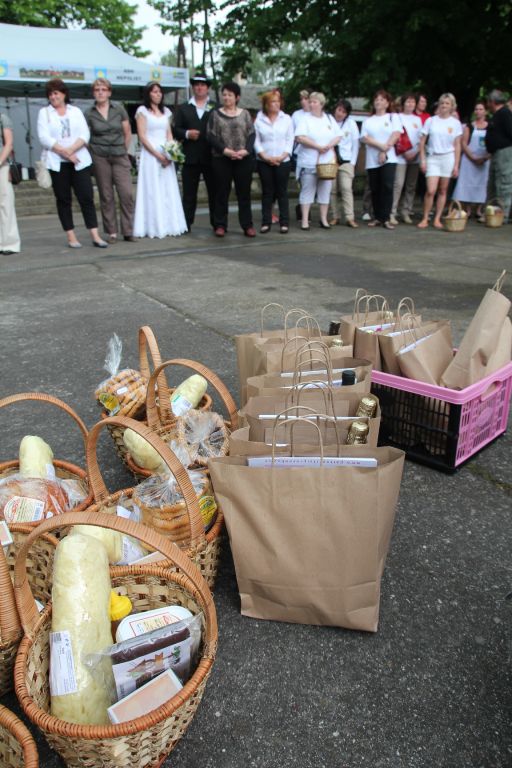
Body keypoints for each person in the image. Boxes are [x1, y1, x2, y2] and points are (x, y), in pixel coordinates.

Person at [37, 78, 107, 248]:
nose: (53, 97)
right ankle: (71, 236)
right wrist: (65, 153)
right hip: (57, 163)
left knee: (86, 197)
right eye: (50, 94)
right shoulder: (44, 113)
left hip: (79, 161)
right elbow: (44, 138)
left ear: (64, 94)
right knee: (63, 199)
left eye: (56, 93)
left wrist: (71, 150)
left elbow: (84, 134)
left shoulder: (75, 111)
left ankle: (95, 235)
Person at [85, 77, 136, 244]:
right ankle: (112, 231)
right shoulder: (89, 113)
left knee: (126, 193)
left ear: (109, 92)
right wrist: (92, 153)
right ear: (93, 93)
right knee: (106, 195)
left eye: (103, 90)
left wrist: (124, 150)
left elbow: (127, 132)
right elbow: (85, 135)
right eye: (97, 90)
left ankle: (128, 230)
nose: (100, 93)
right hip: (100, 156)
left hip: (119, 154)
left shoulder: (119, 109)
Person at [133, 81, 187, 238]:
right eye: (154, 91)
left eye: (159, 92)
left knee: (167, 188)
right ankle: (153, 225)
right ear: (148, 94)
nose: (157, 94)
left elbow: (168, 133)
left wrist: (172, 152)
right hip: (151, 153)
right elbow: (142, 136)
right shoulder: (142, 111)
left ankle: (169, 223)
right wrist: (157, 155)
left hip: (165, 151)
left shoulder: (166, 111)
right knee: (152, 188)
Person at [206, 81, 256, 238]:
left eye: (230, 95)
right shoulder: (215, 114)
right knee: (221, 192)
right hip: (222, 158)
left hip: (243, 158)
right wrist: (225, 150)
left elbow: (251, 134)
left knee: (244, 193)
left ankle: (247, 225)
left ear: (237, 97)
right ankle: (220, 224)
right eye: (224, 94)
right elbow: (211, 136)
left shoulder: (245, 114)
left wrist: (245, 150)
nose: (226, 97)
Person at [173, 72, 216, 231]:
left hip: (211, 157)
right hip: (190, 157)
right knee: (189, 194)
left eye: (202, 85)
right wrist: (186, 134)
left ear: (207, 88)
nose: (199, 88)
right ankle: (186, 224)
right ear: (192, 87)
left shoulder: (216, 107)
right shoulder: (184, 108)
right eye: (196, 85)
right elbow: (175, 129)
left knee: (214, 193)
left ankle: (217, 223)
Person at [294, 92, 341, 230]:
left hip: (326, 162)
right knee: (307, 190)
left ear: (321, 104)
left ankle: (324, 219)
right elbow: (300, 137)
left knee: (325, 190)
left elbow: (338, 135)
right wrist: (317, 146)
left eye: (314, 102)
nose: (311, 104)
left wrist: (329, 145)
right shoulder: (305, 119)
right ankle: (305, 220)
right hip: (309, 160)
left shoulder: (329, 118)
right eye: (310, 101)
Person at [417, 93, 463, 229]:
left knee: (443, 190)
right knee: (431, 190)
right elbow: (422, 142)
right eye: (442, 103)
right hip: (433, 157)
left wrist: (456, 165)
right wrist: (423, 160)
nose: (444, 105)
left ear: (452, 106)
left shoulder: (455, 123)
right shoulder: (431, 121)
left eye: (447, 103)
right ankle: (425, 217)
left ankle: (437, 218)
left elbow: (457, 145)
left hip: (448, 157)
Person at [360, 90, 401, 230]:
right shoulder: (368, 121)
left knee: (387, 186)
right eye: (376, 99)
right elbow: (365, 138)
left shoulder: (393, 117)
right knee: (375, 188)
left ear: (387, 103)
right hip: (372, 159)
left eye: (382, 99)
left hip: (389, 158)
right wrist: (380, 146)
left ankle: (386, 217)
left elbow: (396, 134)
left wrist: (384, 150)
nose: (378, 101)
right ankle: (377, 217)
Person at [254, 91, 294, 234]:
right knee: (267, 192)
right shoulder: (259, 120)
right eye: (273, 102)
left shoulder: (286, 119)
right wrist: (265, 157)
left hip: (283, 160)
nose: (276, 104)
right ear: (266, 104)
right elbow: (256, 141)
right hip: (264, 161)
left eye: (278, 101)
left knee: (282, 191)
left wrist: (282, 157)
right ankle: (266, 222)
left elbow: (290, 139)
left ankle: (284, 222)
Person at [452, 100, 490, 217]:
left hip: (485, 160)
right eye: (476, 109)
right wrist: (472, 157)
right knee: (467, 183)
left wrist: (485, 157)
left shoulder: (490, 126)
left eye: (481, 109)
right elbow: (464, 143)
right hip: (469, 160)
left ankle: (479, 209)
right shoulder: (469, 126)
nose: (478, 111)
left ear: (485, 112)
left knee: (483, 183)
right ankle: (467, 208)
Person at [390, 93, 423, 224]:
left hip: (415, 156)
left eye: (413, 102)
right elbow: (397, 137)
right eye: (408, 102)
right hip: (401, 157)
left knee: (411, 185)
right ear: (403, 103)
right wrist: (405, 153)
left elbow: (421, 139)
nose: (410, 104)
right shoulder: (397, 117)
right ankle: (392, 212)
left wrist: (416, 152)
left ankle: (406, 211)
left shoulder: (418, 120)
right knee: (398, 184)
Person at [328, 99, 360, 228]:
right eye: (339, 110)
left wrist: (353, 162)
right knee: (332, 190)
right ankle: (335, 216)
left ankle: (349, 217)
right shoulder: (328, 121)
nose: (340, 113)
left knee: (346, 188)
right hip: (331, 160)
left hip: (346, 160)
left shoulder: (351, 123)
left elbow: (355, 144)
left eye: (344, 112)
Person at [485, 89, 512, 223]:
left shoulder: (505, 113)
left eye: (488, 102)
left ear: (493, 101)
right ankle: (492, 213)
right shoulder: (497, 114)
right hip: (496, 153)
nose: (487, 105)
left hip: (504, 152)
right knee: (493, 184)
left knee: (504, 183)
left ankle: (503, 215)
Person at [0, 111, 21, 255]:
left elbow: (9, 144)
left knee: (5, 204)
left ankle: (10, 244)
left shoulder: (2, 117)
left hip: (2, 166)